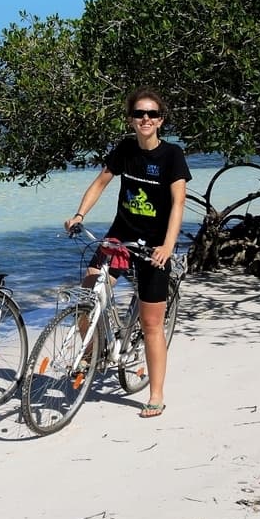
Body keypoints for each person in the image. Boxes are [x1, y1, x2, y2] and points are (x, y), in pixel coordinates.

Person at [64, 87, 191, 418]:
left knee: (151, 325)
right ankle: (93, 352)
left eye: (151, 114)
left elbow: (179, 203)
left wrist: (167, 245)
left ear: (160, 120)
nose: (145, 119)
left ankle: (156, 393)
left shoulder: (172, 156)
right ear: (131, 120)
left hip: (154, 248)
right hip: (120, 239)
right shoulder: (124, 150)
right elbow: (100, 183)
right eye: (139, 114)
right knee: (86, 297)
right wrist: (80, 215)